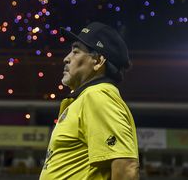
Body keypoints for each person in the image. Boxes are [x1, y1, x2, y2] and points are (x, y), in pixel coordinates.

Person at [40, 22, 139, 180]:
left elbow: (125, 166)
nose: (66, 58)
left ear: (98, 61)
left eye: (76, 52)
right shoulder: (86, 98)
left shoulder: (98, 96)